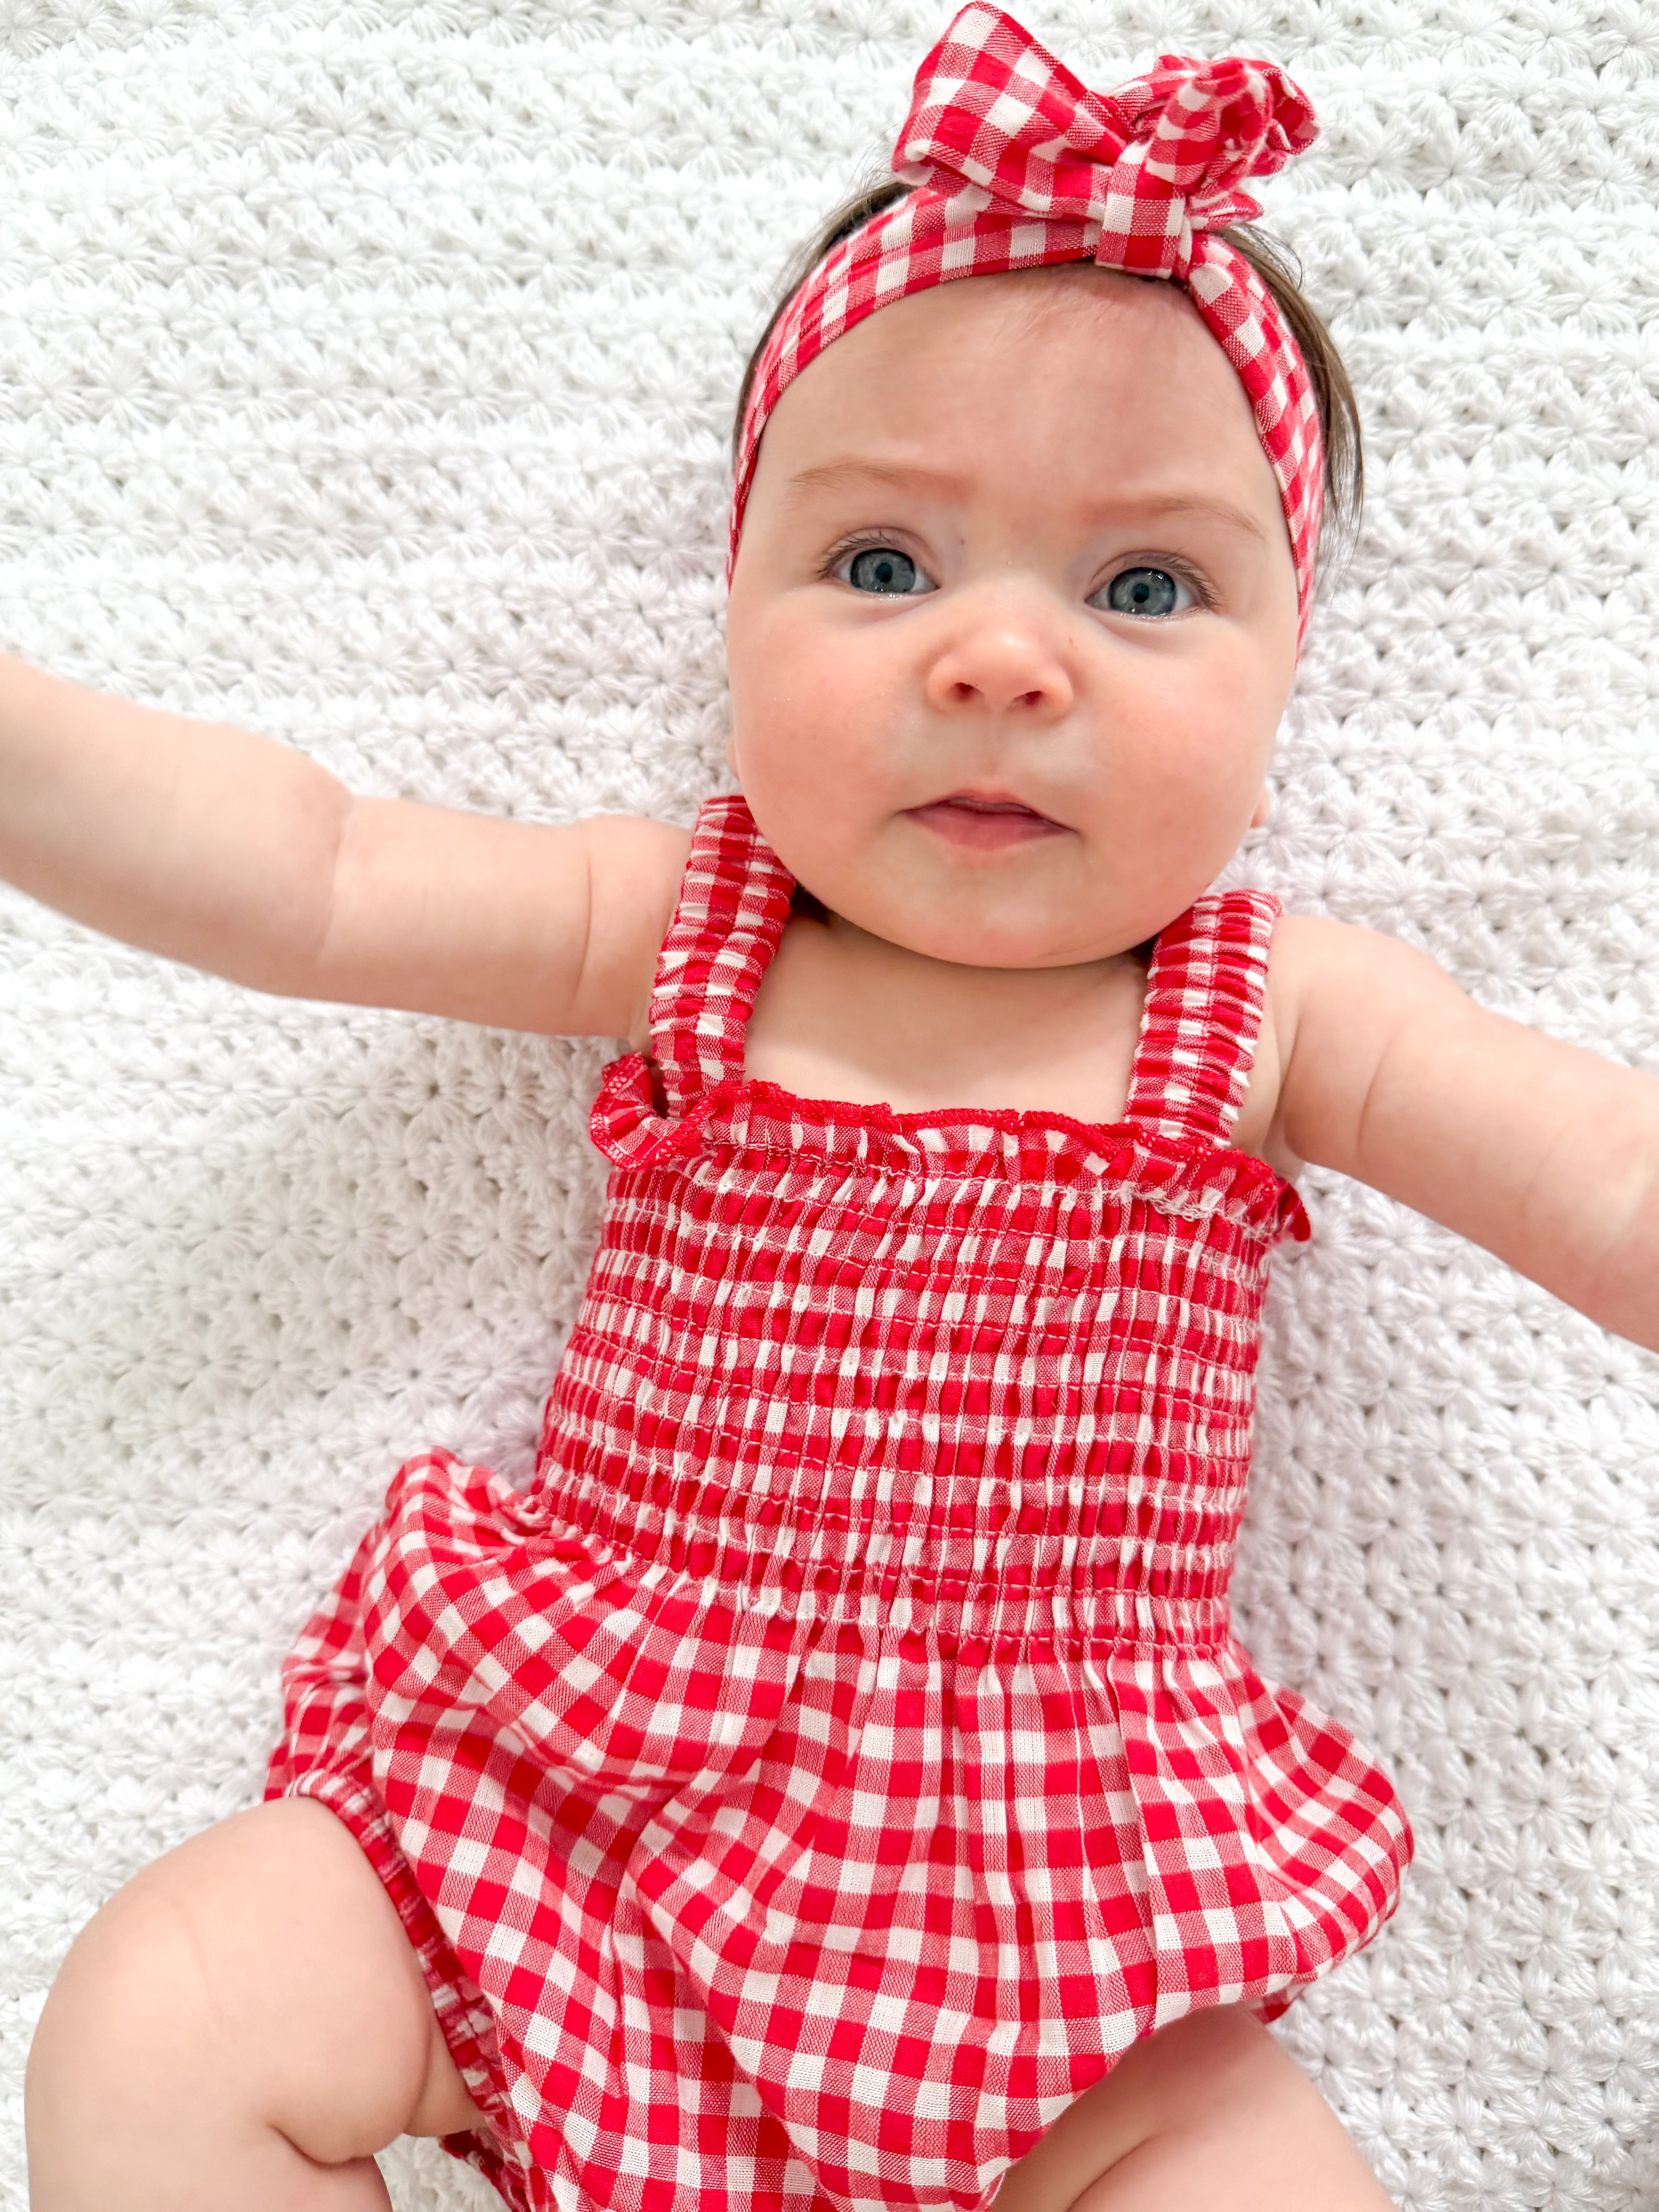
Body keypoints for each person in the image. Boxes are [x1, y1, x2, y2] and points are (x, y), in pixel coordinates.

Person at [15, 7, 1658, 2210]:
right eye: (882, 566)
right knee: (172, 2006)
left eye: (1141, 587)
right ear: (735, 597)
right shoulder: (698, 922)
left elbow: (1593, 1172)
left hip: (1045, 1926)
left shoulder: (1265, 1011)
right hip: (578, 1805)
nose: (996, 659)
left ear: (1291, 663)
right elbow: (311, 871)